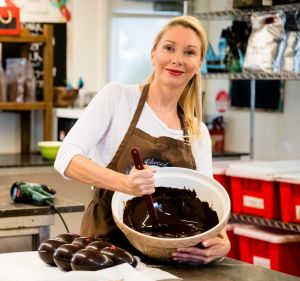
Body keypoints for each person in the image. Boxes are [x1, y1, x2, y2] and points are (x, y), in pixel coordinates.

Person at [54, 15, 230, 264]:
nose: (177, 59)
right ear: (153, 54)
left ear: (199, 62)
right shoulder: (118, 98)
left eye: (189, 52)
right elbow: (66, 158)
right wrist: (125, 184)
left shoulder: (197, 131)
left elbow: (209, 197)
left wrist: (223, 242)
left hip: (169, 260)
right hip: (105, 254)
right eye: (169, 48)